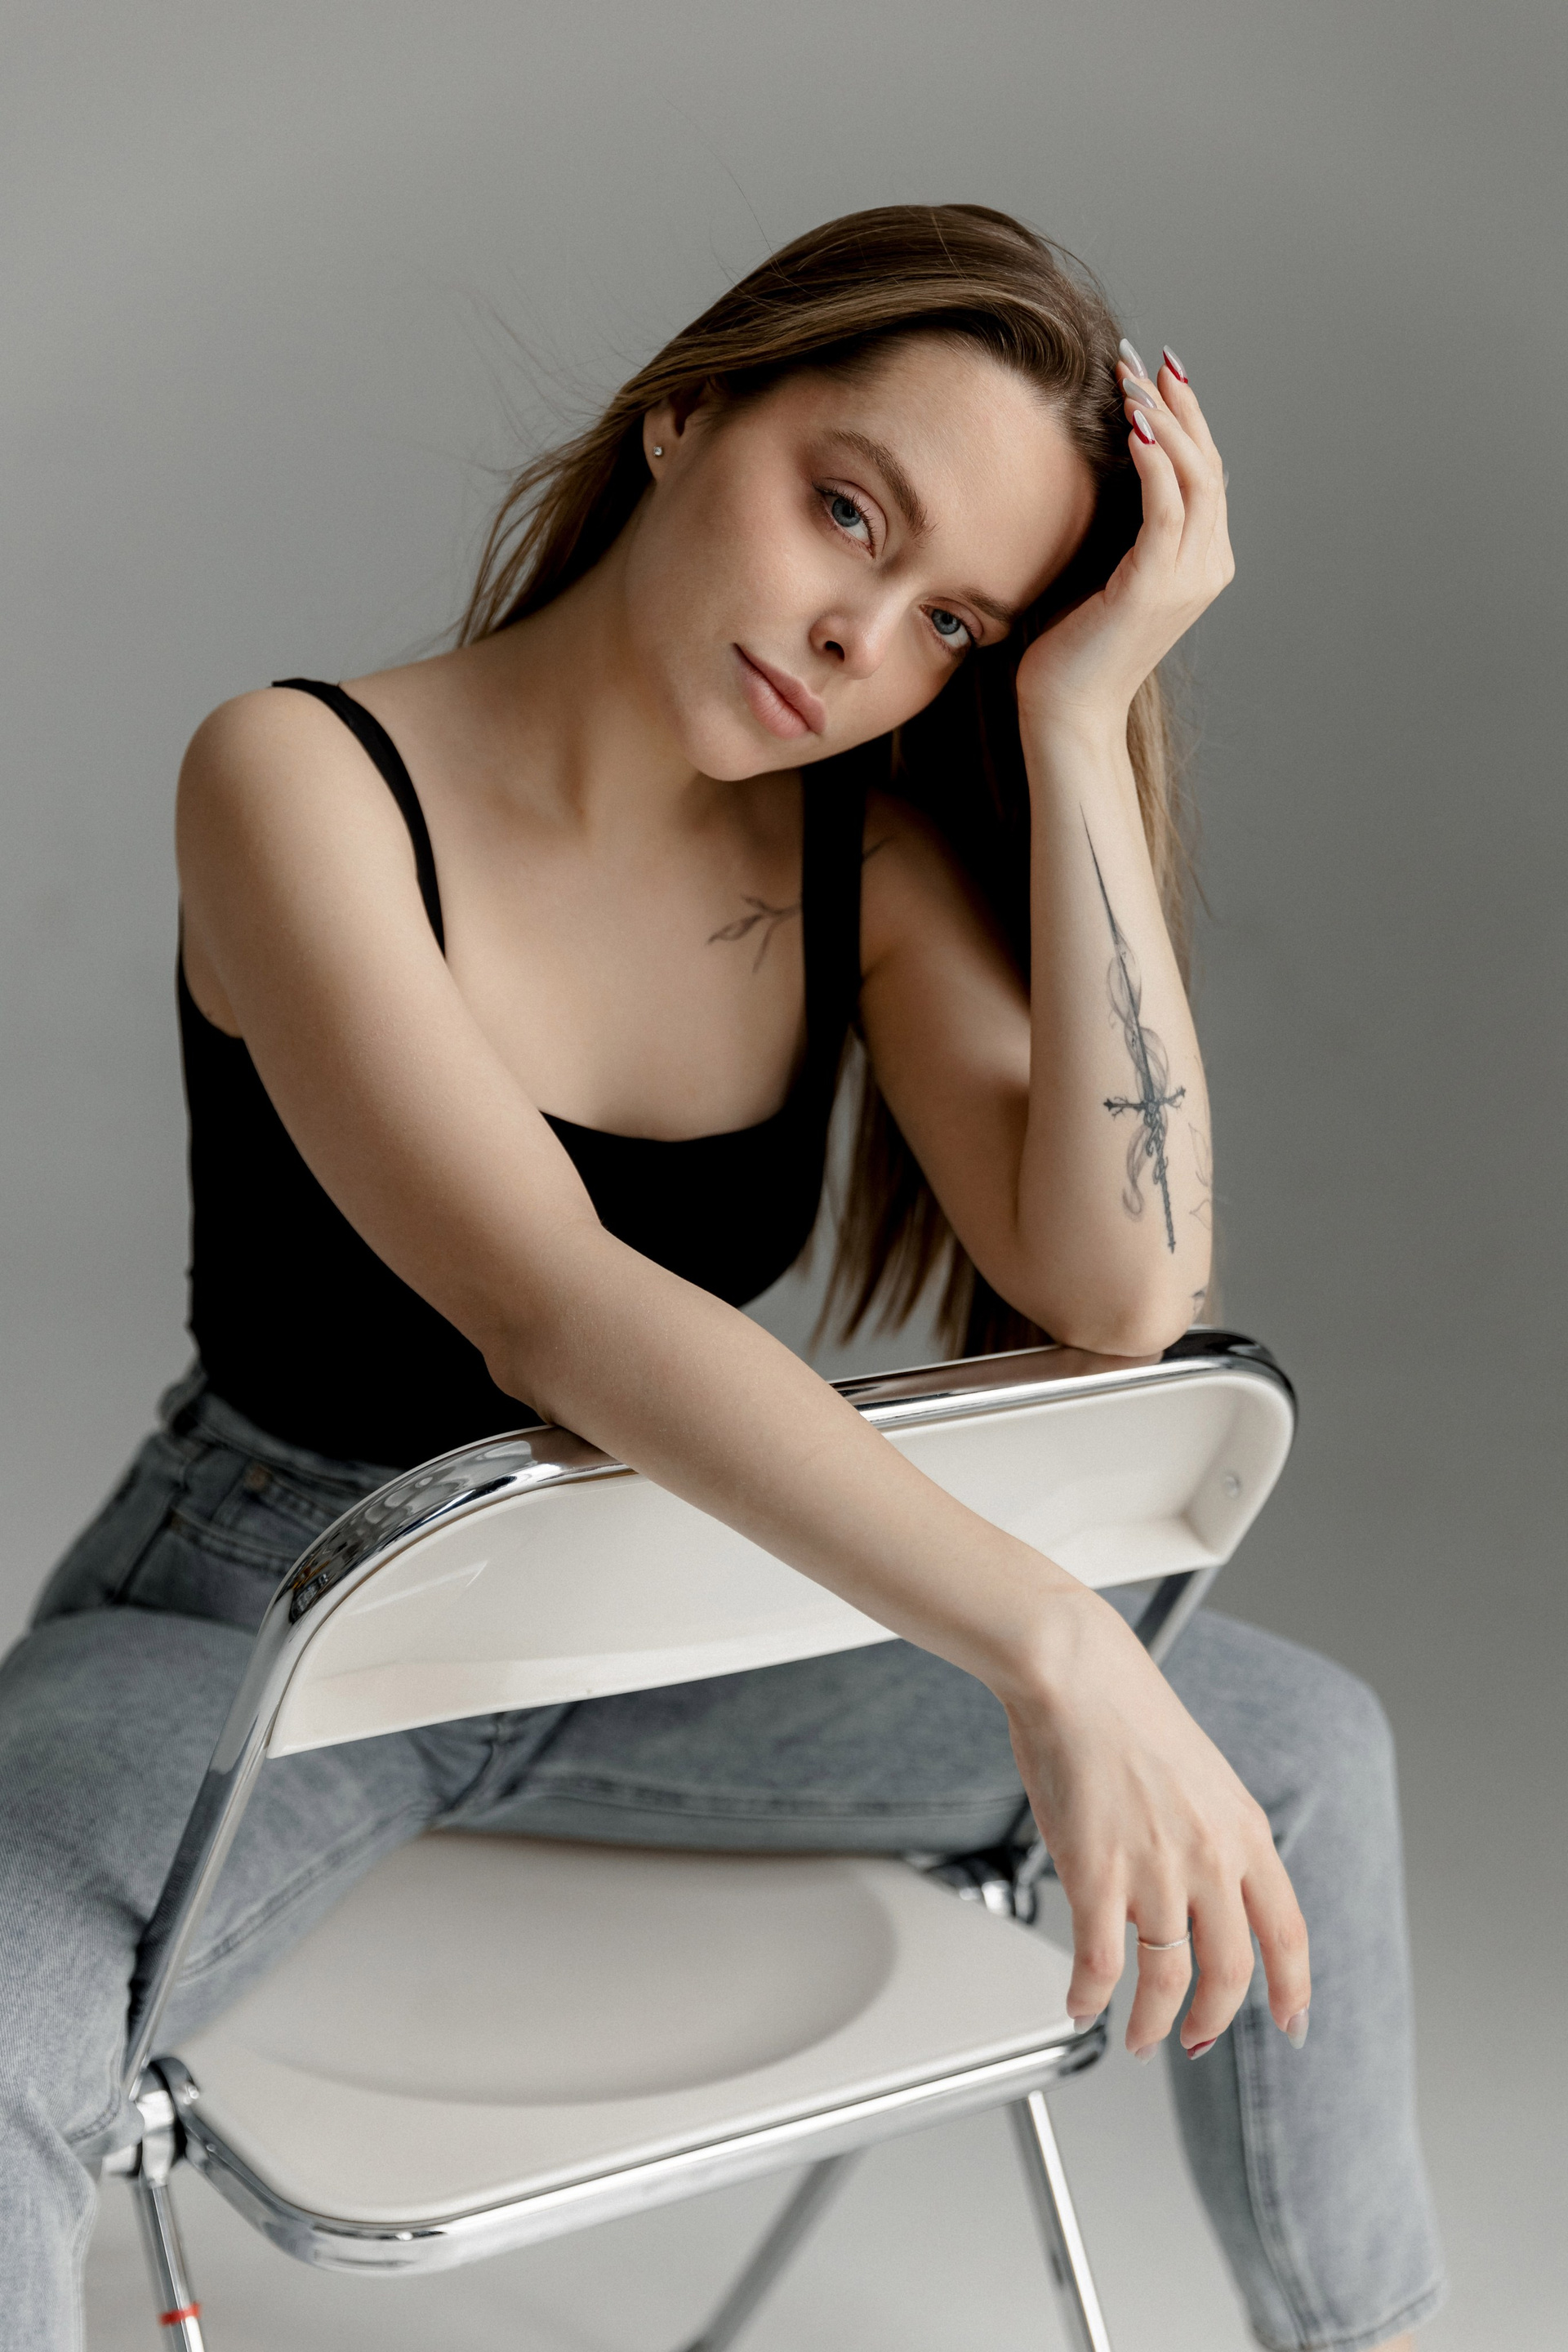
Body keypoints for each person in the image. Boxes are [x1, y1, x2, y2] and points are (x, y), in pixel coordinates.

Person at [0, 204, 1442, 2350]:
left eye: (950, 622)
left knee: (1300, 1751)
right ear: (687, 412)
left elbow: (1121, 1296)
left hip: (660, 1604)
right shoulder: (297, 777)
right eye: (848, 511)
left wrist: (1078, 718)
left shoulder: (863, 863)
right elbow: (553, 1310)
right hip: (272, 1623)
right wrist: (1053, 1640)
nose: (860, 637)